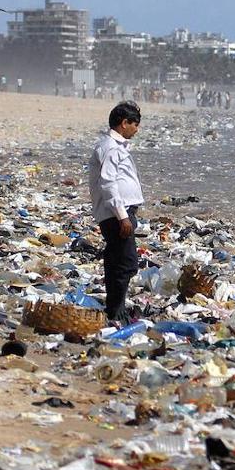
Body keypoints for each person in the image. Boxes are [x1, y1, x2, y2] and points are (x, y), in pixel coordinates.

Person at [88, 101, 145, 323]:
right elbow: (108, 183)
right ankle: (116, 309)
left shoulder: (114, 146)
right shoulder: (110, 148)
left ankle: (114, 307)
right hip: (115, 213)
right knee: (126, 262)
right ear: (124, 123)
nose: (137, 129)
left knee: (116, 259)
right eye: (135, 124)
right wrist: (123, 216)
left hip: (118, 211)